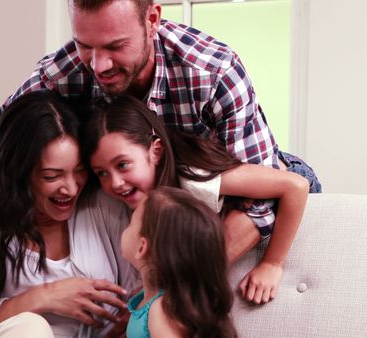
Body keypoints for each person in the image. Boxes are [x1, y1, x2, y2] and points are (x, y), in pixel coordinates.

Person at [0, 1, 317, 336]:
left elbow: (266, 201)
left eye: (115, 46)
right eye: (84, 46)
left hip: (222, 173)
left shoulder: (211, 74)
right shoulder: (62, 74)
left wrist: (178, 277)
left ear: (152, 19)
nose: (98, 64)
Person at [0, 91, 136, 337]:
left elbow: (136, 309)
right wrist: (43, 296)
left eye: (80, 171)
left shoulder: (104, 208)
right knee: (30, 327)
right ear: (20, 173)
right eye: (51, 176)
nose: (71, 188)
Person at [84, 95, 310, 304]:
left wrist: (272, 264)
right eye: (102, 173)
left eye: (123, 165)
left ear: (156, 151)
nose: (115, 183)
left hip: (290, 170)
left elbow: (296, 186)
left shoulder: (196, 179)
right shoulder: (140, 195)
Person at [122, 187, 238, 338]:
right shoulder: (155, 300)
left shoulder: (162, 311)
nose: (126, 228)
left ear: (142, 247)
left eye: (131, 224)